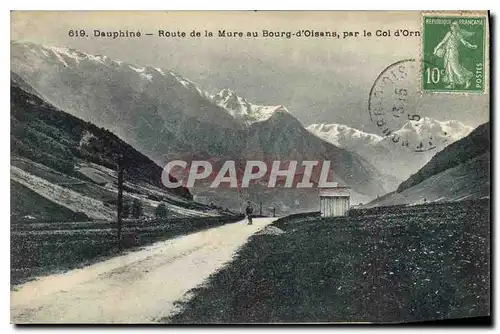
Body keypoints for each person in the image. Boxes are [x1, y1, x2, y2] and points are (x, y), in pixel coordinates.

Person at [433, 21, 478, 89]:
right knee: (449, 69)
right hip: (447, 53)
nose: (451, 27)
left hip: (453, 53)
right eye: (451, 26)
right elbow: (443, 41)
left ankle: (467, 80)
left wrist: (472, 46)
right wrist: (436, 49)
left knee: (455, 68)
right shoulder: (449, 33)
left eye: (453, 26)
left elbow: (465, 43)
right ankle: (452, 84)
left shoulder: (459, 35)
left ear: (456, 27)